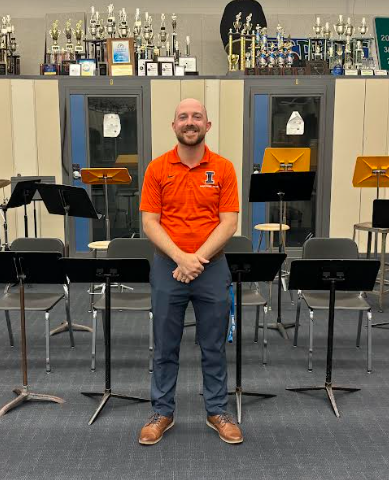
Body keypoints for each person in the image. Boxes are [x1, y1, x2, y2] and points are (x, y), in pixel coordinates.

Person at [138, 98, 242, 445]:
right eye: (183, 116)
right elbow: (150, 223)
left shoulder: (224, 168)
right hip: (169, 266)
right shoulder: (157, 169)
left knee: (213, 345)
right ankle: (162, 412)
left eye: (197, 116)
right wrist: (181, 258)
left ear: (207, 126)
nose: (190, 121)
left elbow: (229, 222)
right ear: (174, 126)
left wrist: (195, 258)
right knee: (165, 346)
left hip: (211, 266)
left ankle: (217, 411)